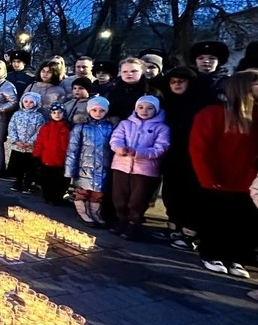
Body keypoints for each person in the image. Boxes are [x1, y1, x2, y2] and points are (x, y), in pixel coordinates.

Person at [188, 71, 258, 278]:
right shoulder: (212, 113)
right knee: (216, 219)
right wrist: (207, 177)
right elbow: (199, 148)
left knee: (244, 221)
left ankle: (237, 258)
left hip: (248, 179)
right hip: (218, 178)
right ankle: (211, 254)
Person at [109, 96, 171, 240]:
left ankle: (133, 223)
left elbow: (161, 147)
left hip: (145, 170)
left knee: (138, 200)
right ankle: (121, 220)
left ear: (156, 110)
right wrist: (119, 148)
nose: (144, 111)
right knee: (119, 197)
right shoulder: (126, 124)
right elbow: (116, 138)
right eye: (141, 107)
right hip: (121, 166)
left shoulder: (161, 128)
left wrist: (140, 153)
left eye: (149, 108)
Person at [160, 67, 203, 248]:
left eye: (181, 81)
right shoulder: (167, 102)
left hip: (192, 152)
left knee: (191, 191)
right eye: (173, 81)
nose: (177, 85)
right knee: (171, 189)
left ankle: (189, 230)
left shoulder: (198, 103)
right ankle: (174, 224)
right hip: (171, 151)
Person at [65, 96, 114, 224]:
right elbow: (73, 149)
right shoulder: (81, 127)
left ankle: (95, 213)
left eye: (101, 110)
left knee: (98, 193)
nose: (98, 113)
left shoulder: (110, 127)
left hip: (103, 167)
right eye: (94, 110)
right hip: (84, 167)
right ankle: (83, 213)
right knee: (82, 191)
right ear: (89, 111)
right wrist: (70, 169)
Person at [33, 103, 72, 205]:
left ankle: (57, 197)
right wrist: (36, 155)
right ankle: (47, 196)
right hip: (46, 160)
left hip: (61, 161)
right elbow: (39, 142)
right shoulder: (45, 127)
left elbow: (69, 146)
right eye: (54, 112)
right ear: (50, 114)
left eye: (59, 112)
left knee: (60, 181)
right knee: (46, 181)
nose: (57, 115)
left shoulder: (67, 128)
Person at [6, 91, 45, 193]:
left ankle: (27, 184)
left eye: (31, 102)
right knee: (18, 165)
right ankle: (17, 182)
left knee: (29, 167)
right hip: (18, 146)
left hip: (30, 148)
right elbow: (11, 127)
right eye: (26, 101)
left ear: (36, 103)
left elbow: (40, 130)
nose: (28, 104)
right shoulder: (17, 114)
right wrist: (15, 140)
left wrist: (31, 142)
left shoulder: (39, 116)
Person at [106, 57, 162, 124]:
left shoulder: (153, 92)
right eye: (125, 71)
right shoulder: (111, 89)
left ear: (142, 72)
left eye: (134, 71)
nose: (129, 74)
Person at [189, 40, 228, 109]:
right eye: (201, 58)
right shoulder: (188, 80)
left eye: (212, 58)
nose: (206, 61)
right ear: (195, 61)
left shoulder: (228, 82)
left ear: (218, 62)